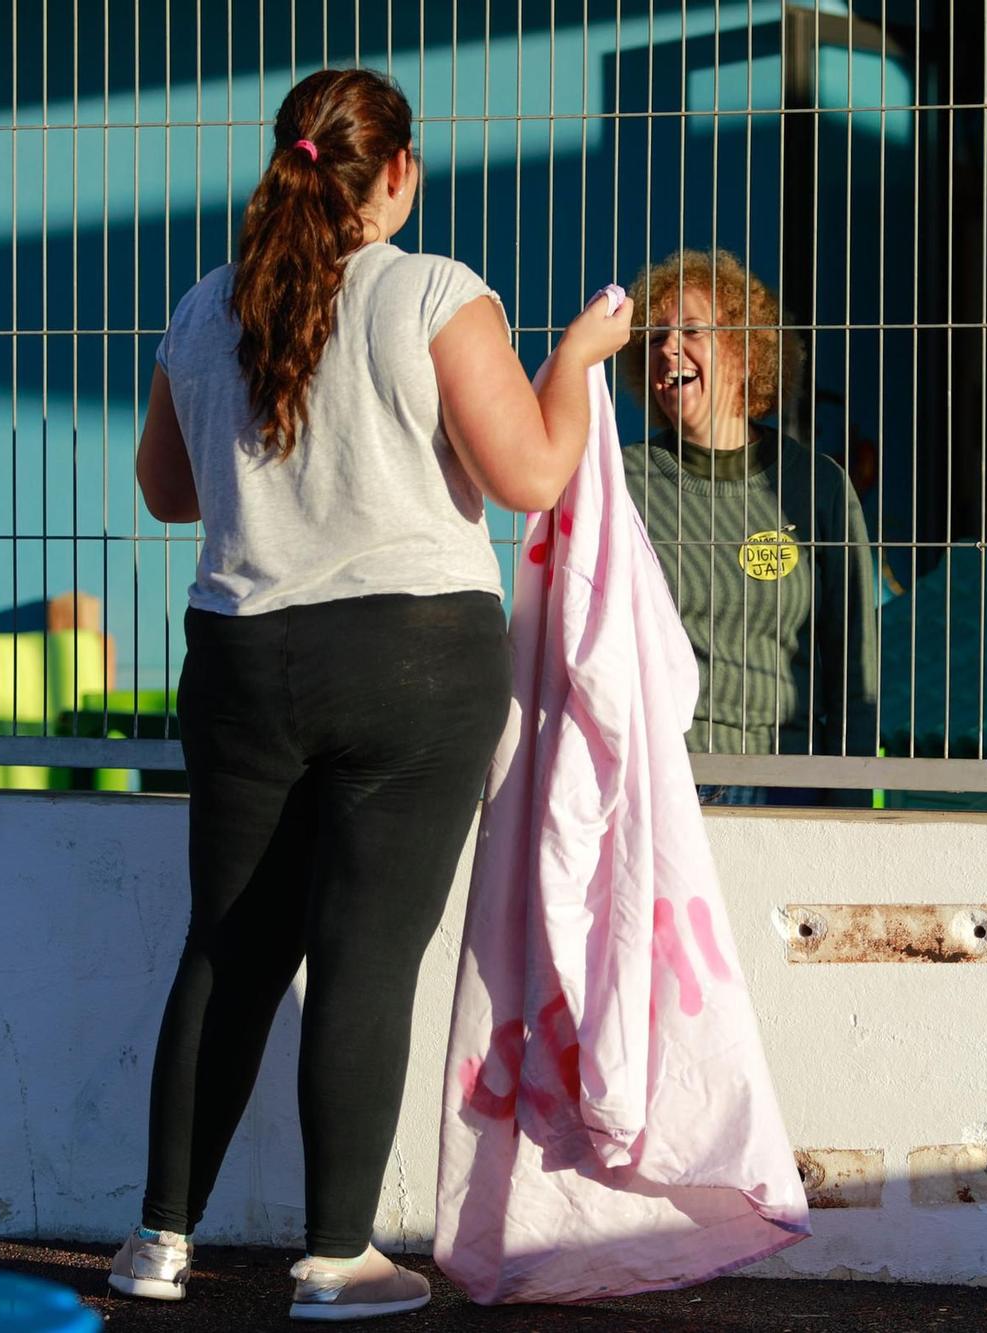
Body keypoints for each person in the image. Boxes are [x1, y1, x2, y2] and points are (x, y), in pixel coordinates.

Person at [113, 68, 634, 1322]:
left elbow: (166, 493)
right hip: (409, 662)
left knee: (226, 951)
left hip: (240, 659)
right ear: (396, 169)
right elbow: (531, 474)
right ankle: (337, 1257)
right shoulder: (436, 292)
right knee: (361, 958)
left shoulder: (203, 307)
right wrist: (573, 356)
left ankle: (155, 1243)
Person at [615, 249, 879, 807]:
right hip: (659, 779)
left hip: (786, 778)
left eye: (690, 330)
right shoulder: (622, 480)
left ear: (744, 352)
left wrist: (851, 799)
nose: (667, 348)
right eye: (656, 337)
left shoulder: (816, 487)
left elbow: (853, 659)